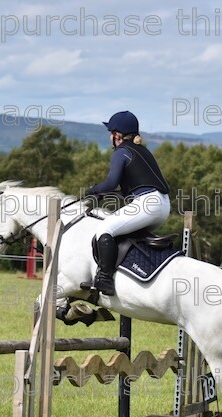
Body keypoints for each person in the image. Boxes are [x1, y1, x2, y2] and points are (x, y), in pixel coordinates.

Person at [83, 111, 171, 296]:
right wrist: (104, 194)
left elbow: (110, 183)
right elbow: (125, 191)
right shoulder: (144, 151)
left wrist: (93, 189)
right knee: (122, 234)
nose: (110, 137)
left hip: (148, 204)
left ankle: (105, 279)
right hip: (162, 206)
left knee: (104, 230)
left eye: (111, 133)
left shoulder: (121, 152)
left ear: (117, 135)